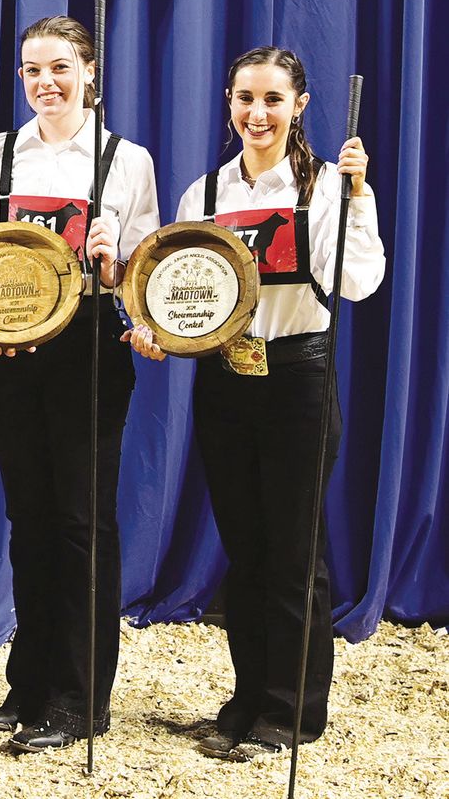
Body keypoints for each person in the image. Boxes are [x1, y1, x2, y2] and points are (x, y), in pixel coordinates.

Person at [126, 46, 385, 758]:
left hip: (299, 377)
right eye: (245, 98)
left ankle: (292, 711)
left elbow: (358, 281)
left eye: (273, 99)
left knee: (293, 551)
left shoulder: (329, 186)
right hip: (225, 381)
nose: (257, 113)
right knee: (244, 549)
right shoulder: (204, 196)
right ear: (230, 104)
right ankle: (246, 697)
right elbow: (177, 291)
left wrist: (359, 200)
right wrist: (153, 331)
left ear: (299, 104)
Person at [0, 15, 160, 752]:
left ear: (90, 71)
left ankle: (78, 699)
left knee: (81, 524)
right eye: (33, 69)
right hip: (9, 349)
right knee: (28, 521)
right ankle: (28, 684)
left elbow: (146, 281)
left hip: (91, 345)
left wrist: (114, 261)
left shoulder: (126, 161)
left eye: (61, 67)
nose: (47, 82)